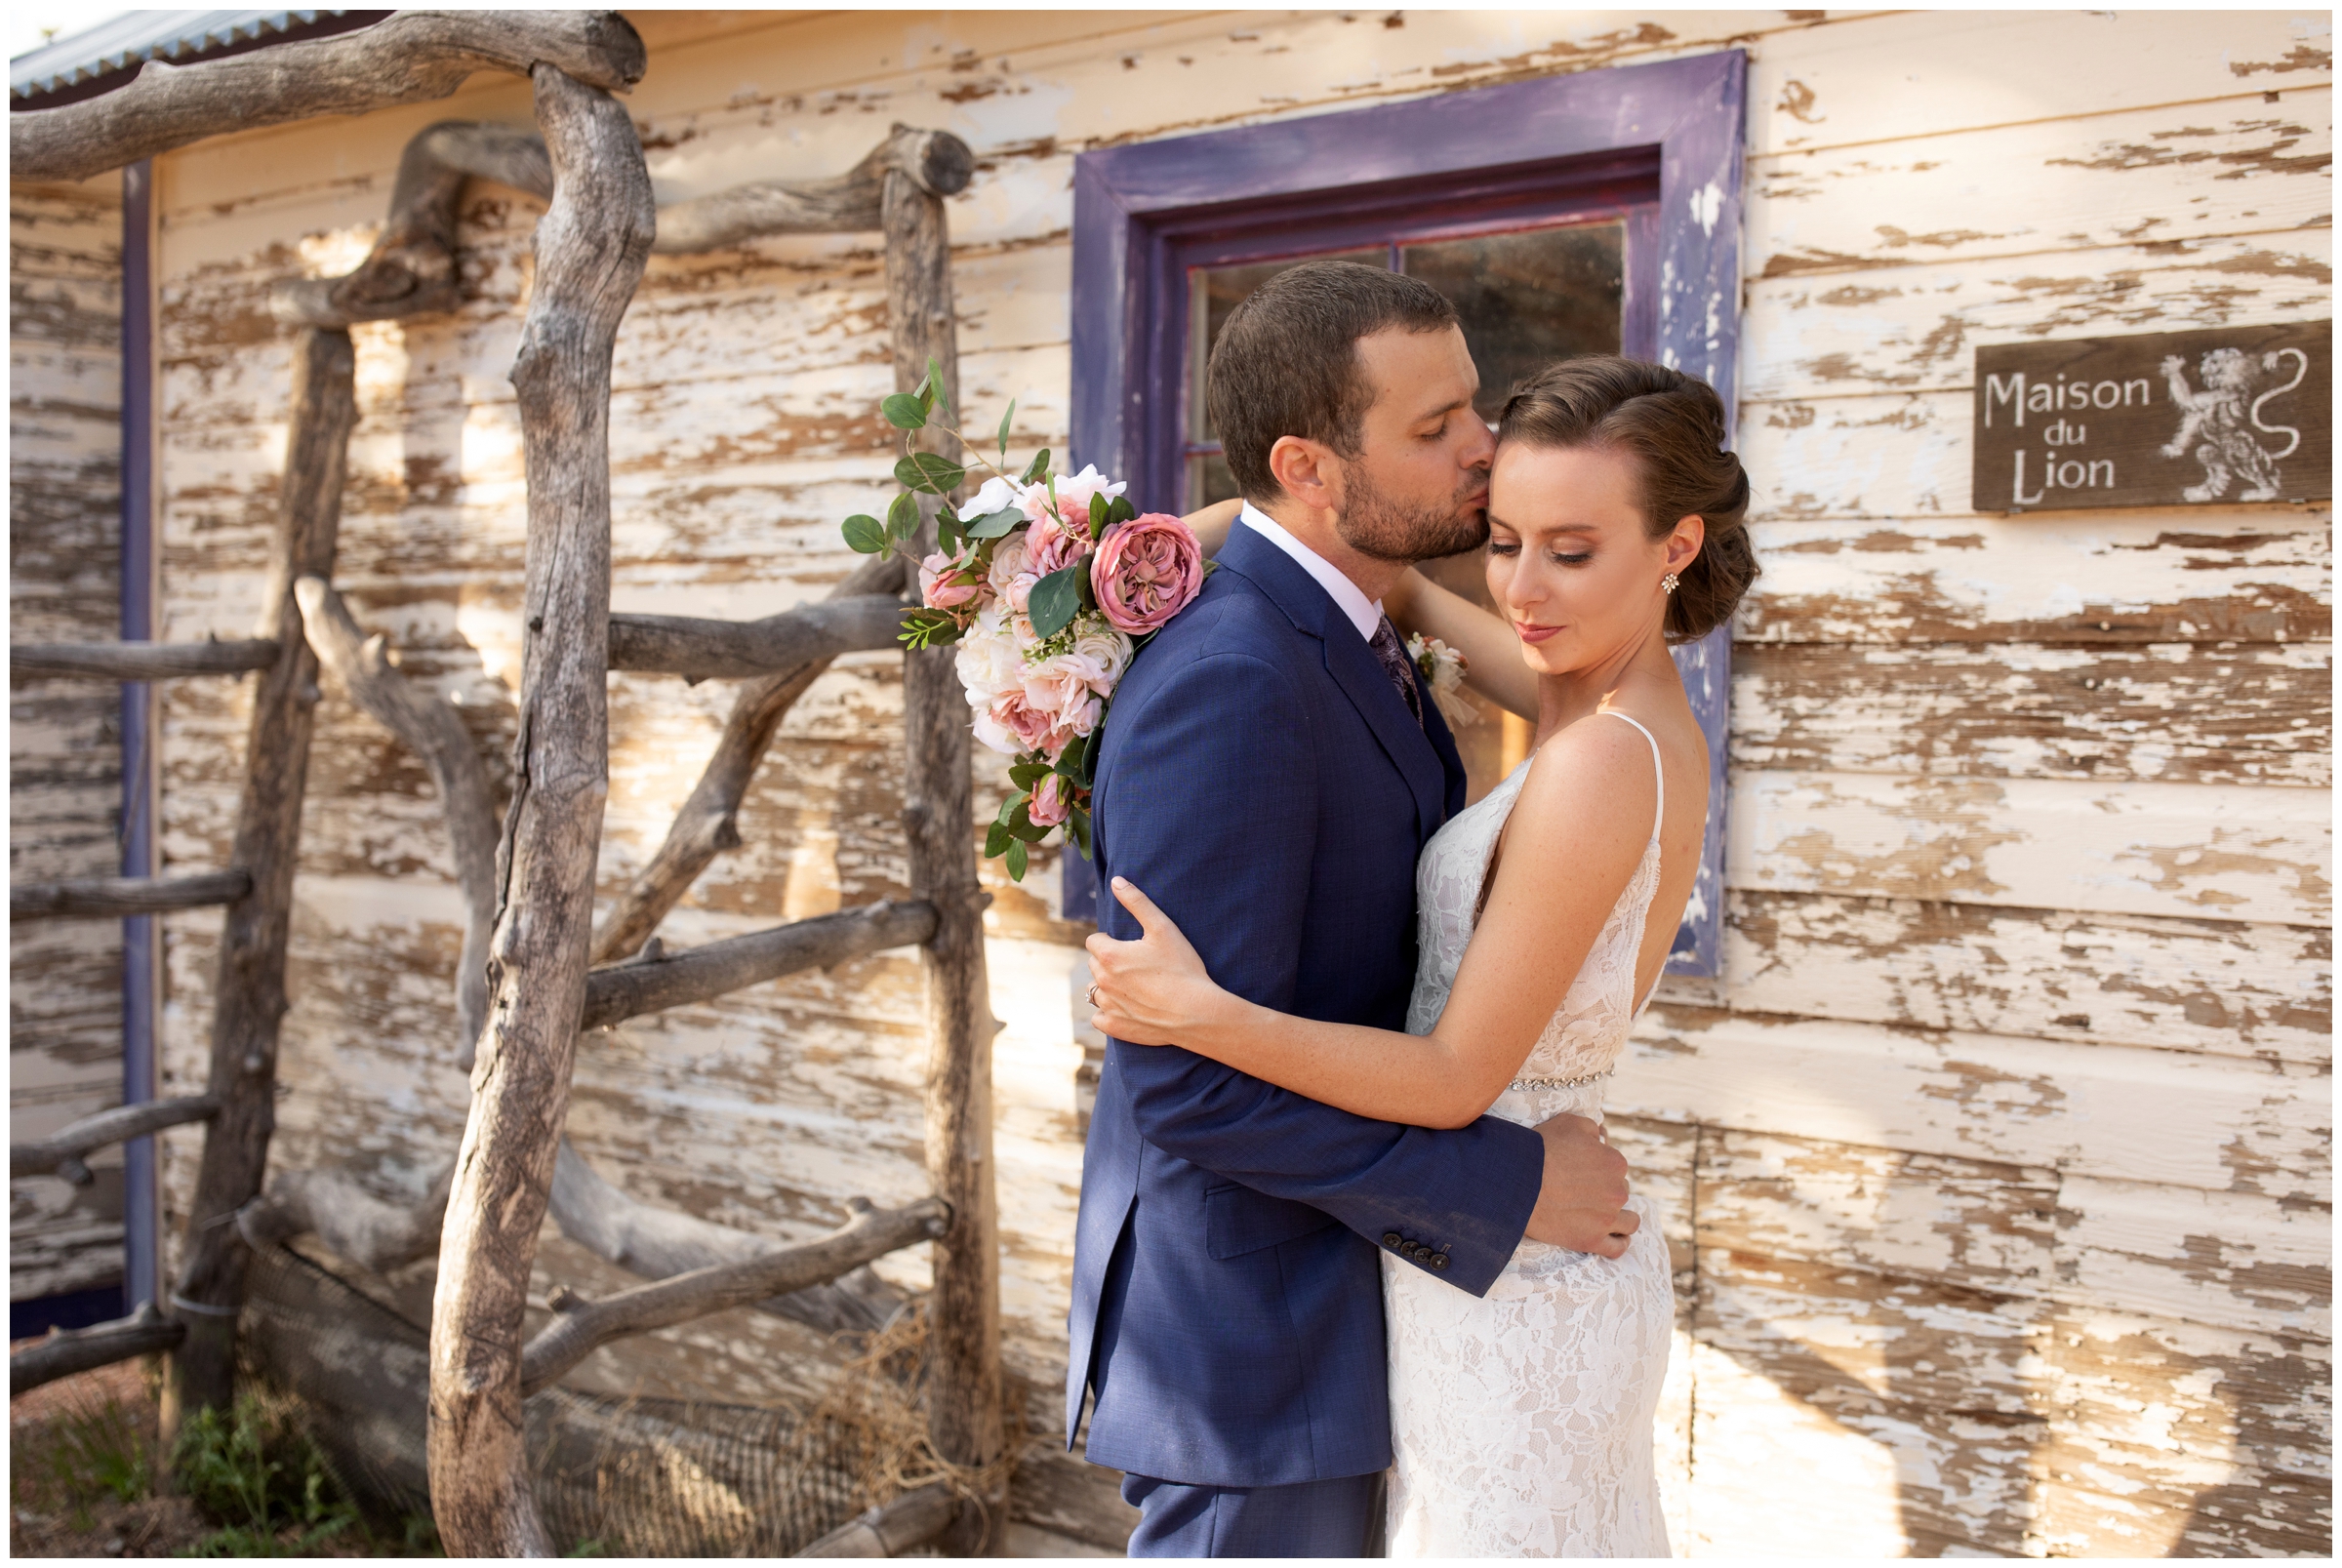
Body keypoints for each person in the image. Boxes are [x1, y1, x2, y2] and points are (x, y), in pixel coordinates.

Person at [1090, 351, 1758, 1555]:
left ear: (1674, 545)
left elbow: (1455, 1075)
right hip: (1472, 1251)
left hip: (1516, 1272)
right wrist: (1168, 549)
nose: (1523, 588)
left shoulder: (1607, 758)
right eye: (1502, 539)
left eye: (1572, 547)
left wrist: (1201, 1011)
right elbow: (1393, 595)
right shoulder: (1586, 689)